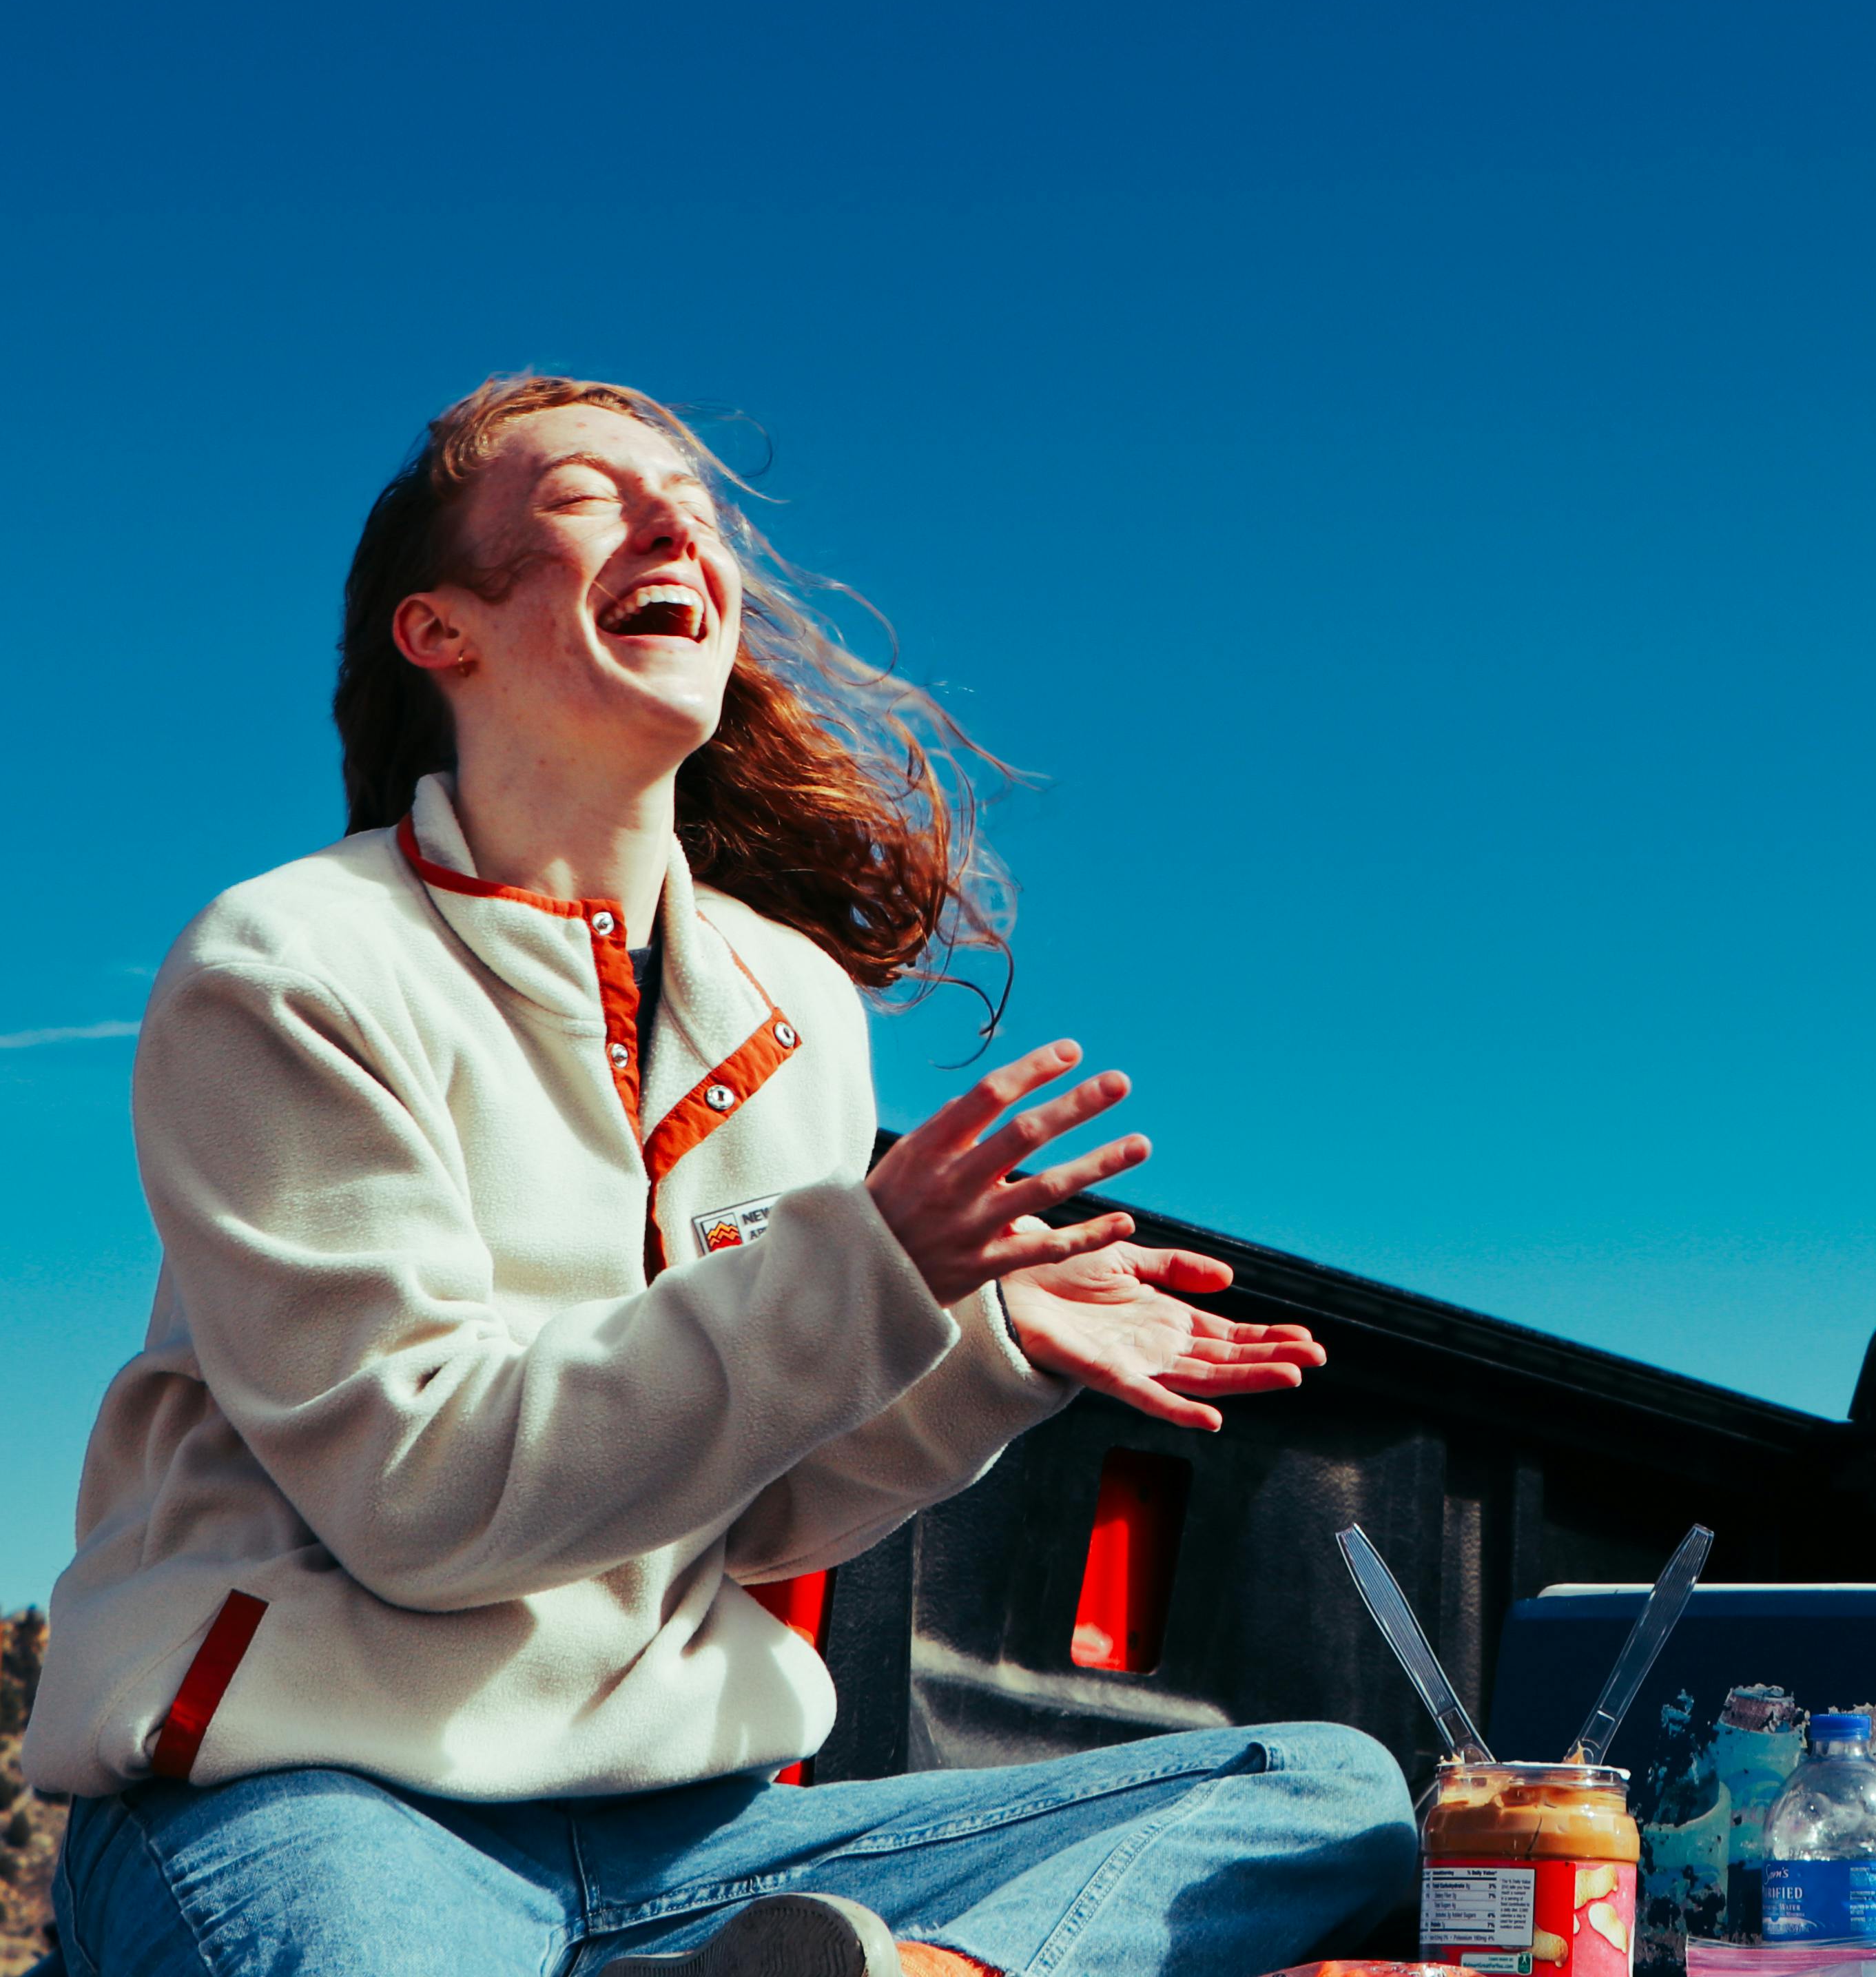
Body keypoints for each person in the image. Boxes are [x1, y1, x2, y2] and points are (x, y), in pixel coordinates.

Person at [39, 376, 1418, 1976]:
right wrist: (863, 1273)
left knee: (1328, 1790)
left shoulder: (792, 1004)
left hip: (686, 1828)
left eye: (690, 496)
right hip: (310, 1794)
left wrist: (985, 1352)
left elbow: (753, 1508)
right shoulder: (291, 962)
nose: (675, 519)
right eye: (582, 494)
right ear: (442, 630)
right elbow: (418, 1493)